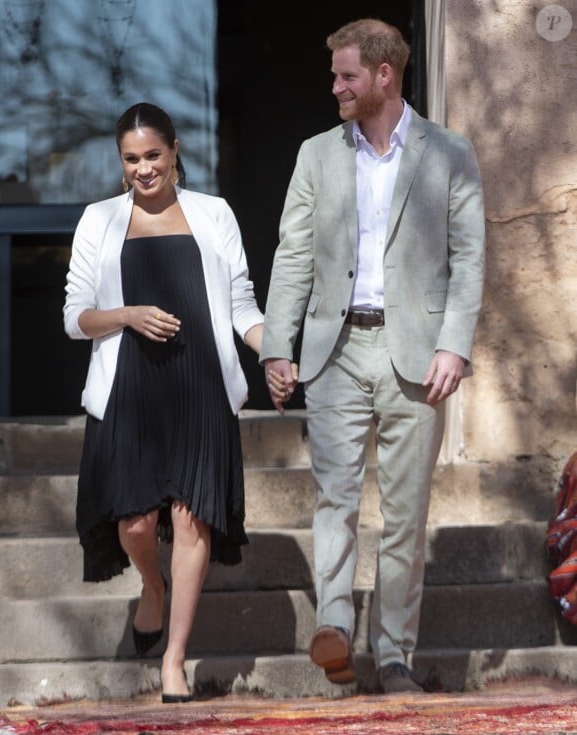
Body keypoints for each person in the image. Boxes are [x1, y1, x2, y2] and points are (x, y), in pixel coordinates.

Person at [261, 18, 485, 693]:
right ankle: (333, 624)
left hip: (416, 352)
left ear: (384, 75)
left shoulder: (450, 153)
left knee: (405, 514)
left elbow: (470, 259)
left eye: (347, 75)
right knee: (334, 497)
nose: (336, 87)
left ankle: (393, 655)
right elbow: (293, 254)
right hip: (335, 350)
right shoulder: (315, 155)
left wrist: (455, 344)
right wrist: (279, 345)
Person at [64, 102, 289, 703]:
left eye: (153, 156)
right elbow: (74, 317)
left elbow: (242, 305)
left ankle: (174, 660)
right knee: (135, 524)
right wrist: (128, 315)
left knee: (192, 521)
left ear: (175, 150)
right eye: (131, 159)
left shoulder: (214, 214)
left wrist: (275, 352)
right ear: (121, 163)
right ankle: (152, 588)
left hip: (198, 388)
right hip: (128, 390)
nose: (143, 169)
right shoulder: (99, 220)